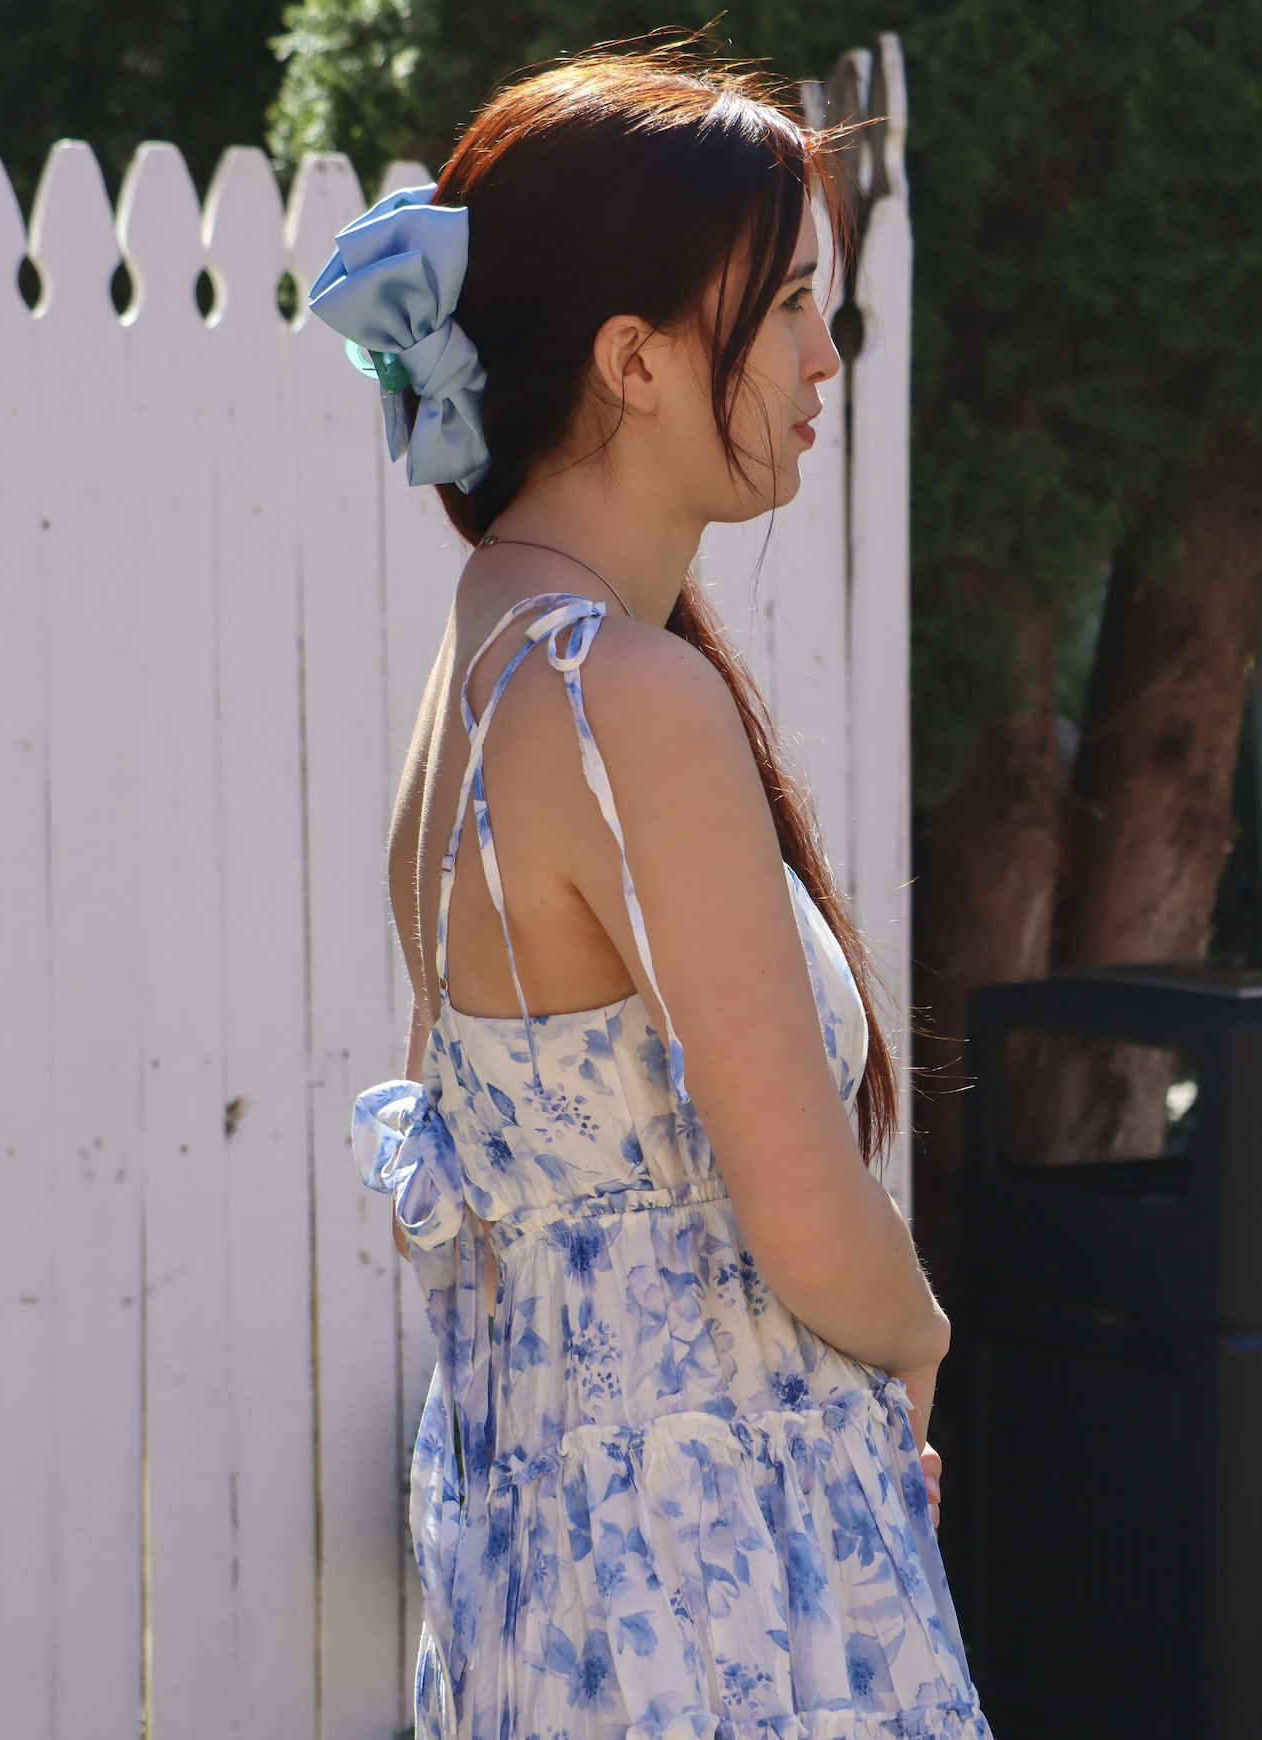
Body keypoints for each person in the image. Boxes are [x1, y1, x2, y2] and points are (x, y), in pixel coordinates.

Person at [312, 47, 989, 1740]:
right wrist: (917, 1332)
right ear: (630, 361)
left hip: (561, 1582)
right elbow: (806, 1216)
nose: (820, 355)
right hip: (721, 1577)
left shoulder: (480, 675)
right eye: (779, 311)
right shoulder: (624, 696)